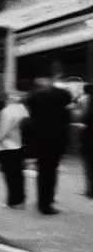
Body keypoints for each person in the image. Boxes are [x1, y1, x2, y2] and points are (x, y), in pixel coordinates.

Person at [24, 78, 73, 215]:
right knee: (50, 171)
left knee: (43, 170)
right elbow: (67, 121)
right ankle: (46, 202)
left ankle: (44, 200)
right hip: (55, 140)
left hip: (38, 138)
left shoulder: (34, 98)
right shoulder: (62, 103)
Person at [0, 91, 29, 209]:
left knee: (11, 175)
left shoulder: (8, 112)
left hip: (8, 146)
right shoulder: (24, 111)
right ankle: (20, 200)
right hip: (19, 145)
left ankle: (14, 201)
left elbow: (1, 131)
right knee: (18, 175)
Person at [81, 84, 93, 199]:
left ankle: (90, 191)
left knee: (90, 166)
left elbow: (85, 119)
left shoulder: (89, 103)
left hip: (90, 139)